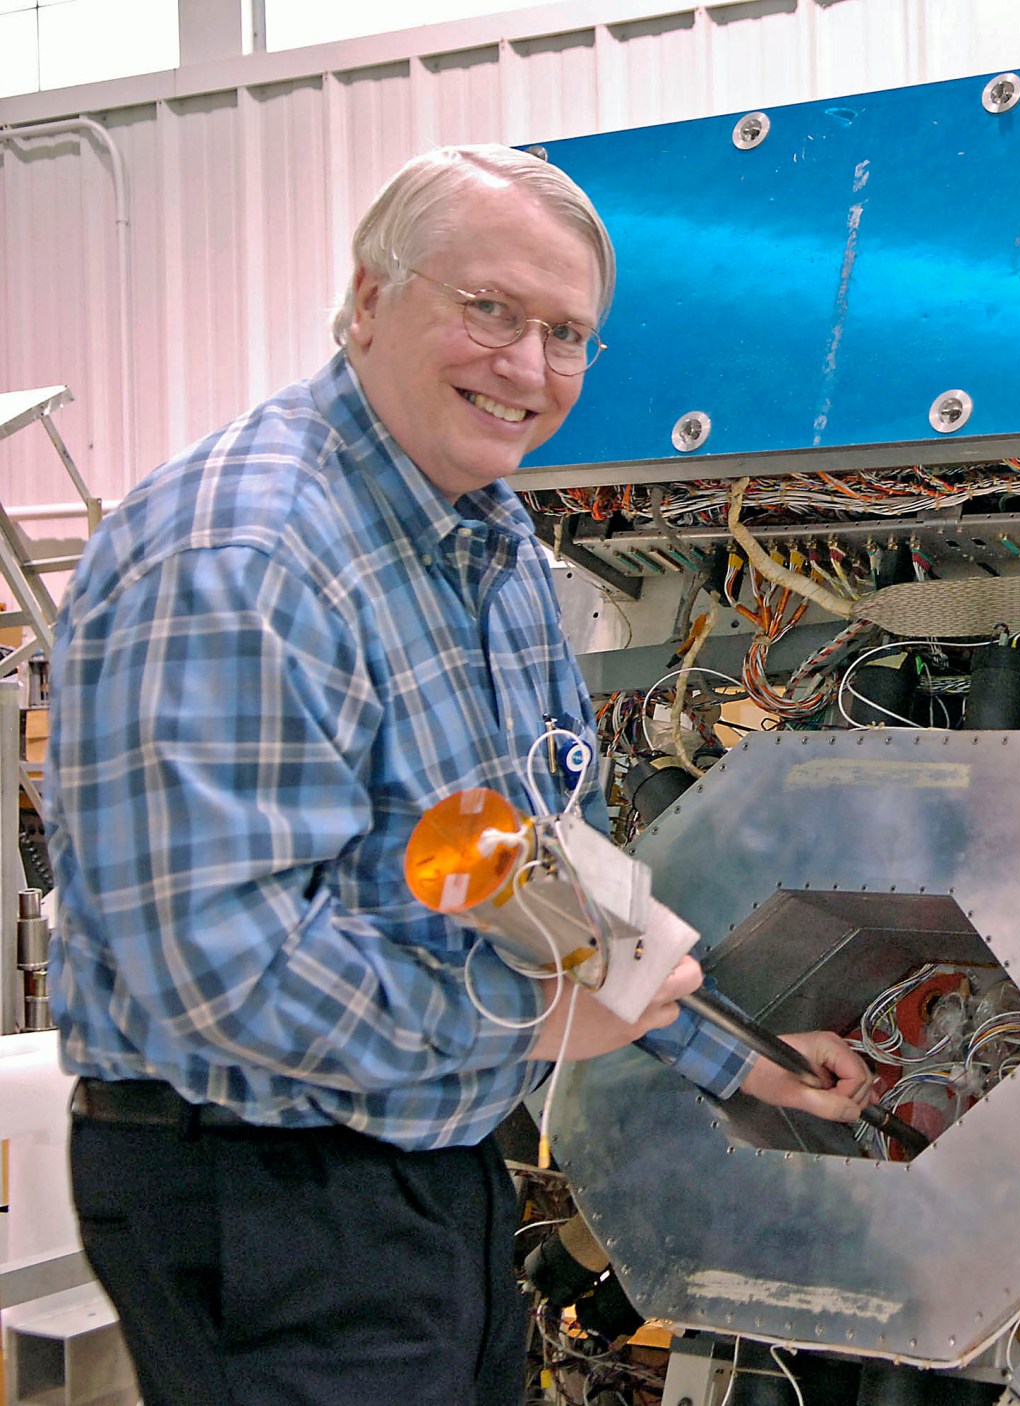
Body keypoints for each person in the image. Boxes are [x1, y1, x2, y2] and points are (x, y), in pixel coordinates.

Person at [44, 143, 872, 1406]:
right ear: (370, 299)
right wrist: (533, 1025)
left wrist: (737, 1055)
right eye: (488, 309)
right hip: (268, 1197)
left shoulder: (486, 544)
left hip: (428, 1169)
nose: (527, 368)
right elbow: (222, 971)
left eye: (565, 334)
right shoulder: (246, 550)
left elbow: (545, 891)